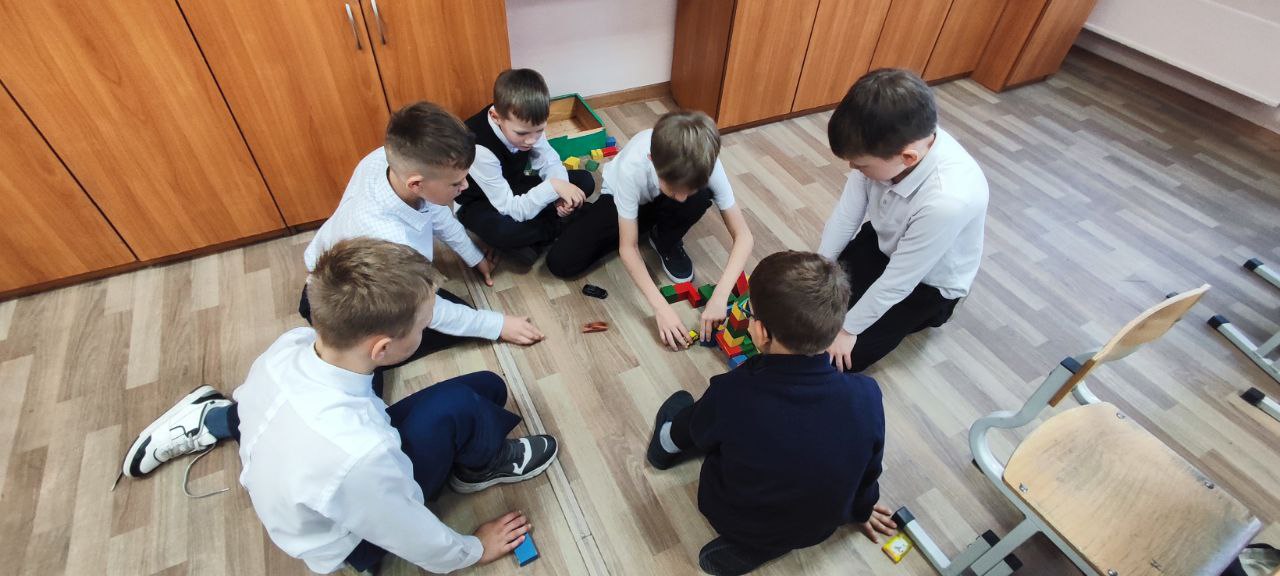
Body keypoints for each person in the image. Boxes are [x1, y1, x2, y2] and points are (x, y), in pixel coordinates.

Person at [122, 238, 559, 574]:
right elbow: (412, 533)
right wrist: (474, 549)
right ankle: (477, 470)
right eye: (424, 326)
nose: (427, 331)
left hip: (313, 479)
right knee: (467, 404)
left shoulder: (289, 346)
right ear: (382, 348)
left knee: (486, 389)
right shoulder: (361, 454)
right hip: (350, 540)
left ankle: (212, 418)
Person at [646, 250, 895, 575]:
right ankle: (764, 546)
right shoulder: (868, 394)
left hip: (737, 515)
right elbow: (869, 469)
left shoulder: (734, 391)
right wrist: (862, 510)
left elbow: (698, 432)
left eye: (750, 314)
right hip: (820, 527)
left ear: (761, 332)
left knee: (703, 424)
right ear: (835, 331)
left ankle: (664, 446)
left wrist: (674, 437)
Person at [818, 69, 989, 372]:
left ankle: (932, 313)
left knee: (838, 358)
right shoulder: (889, 143)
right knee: (819, 304)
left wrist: (847, 330)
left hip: (926, 283)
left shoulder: (947, 199)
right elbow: (846, 216)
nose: (853, 168)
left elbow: (899, 281)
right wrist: (818, 269)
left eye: (861, 165)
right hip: (885, 241)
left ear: (908, 158)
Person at [546, 110, 754, 351]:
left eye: (689, 188)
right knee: (562, 262)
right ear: (652, 160)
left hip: (653, 203)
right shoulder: (633, 167)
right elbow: (628, 248)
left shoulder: (706, 161)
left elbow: (744, 236)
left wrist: (720, 295)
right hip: (624, 198)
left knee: (698, 198)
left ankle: (665, 239)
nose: (681, 197)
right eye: (675, 188)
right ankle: (601, 217)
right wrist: (661, 308)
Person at [457, 68, 595, 266]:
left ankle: (534, 242)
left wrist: (560, 195)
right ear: (496, 117)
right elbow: (510, 208)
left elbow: (549, 161)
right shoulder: (479, 148)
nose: (531, 140)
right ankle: (560, 226)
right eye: (521, 134)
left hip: (514, 184)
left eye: (539, 130)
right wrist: (554, 188)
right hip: (480, 202)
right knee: (503, 232)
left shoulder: (529, 122)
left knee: (584, 180)